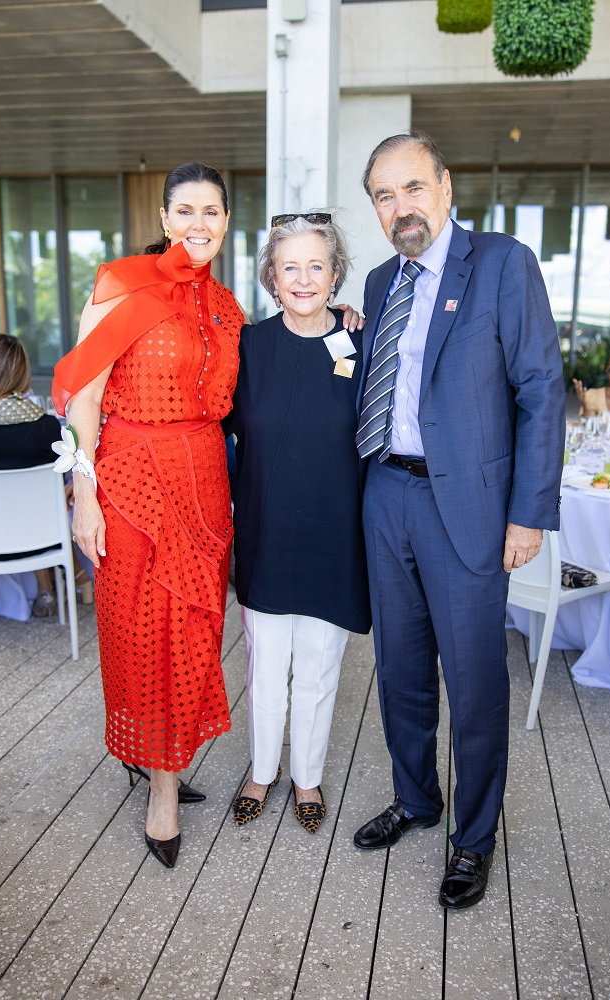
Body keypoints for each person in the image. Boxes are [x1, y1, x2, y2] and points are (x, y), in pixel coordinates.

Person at [352, 133, 565, 908]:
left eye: (411, 188)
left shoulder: (502, 265)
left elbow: (541, 390)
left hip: (469, 508)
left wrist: (528, 514)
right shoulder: (380, 283)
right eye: (383, 195)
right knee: (399, 669)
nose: (400, 206)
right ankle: (416, 799)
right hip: (386, 493)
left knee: (474, 681)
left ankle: (472, 838)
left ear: (444, 186)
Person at [51, 162, 244, 869]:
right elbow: (84, 398)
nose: (199, 224)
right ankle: (162, 786)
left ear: (226, 222)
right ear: (165, 219)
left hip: (201, 485)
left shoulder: (227, 306)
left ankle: (162, 760)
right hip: (130, 480)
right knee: (143, 632)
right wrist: (83, 492)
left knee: (193, 629)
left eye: (212, 213)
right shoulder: (120, 283)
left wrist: (337, 323)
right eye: (186, 211)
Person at [227, 215, 370, 834]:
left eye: (317, 266)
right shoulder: (249, 346)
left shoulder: (359, 342)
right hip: (266, 531)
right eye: (291, 267)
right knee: (265, 669)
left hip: (335, 535)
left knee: (318, 668)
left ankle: (306, 775)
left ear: (335, 275)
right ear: (272, 279)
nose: (304, 278)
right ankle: (262, 769)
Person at [0, 334, 91, 627]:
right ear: (23, 372)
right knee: (55, 495)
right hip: (42, 540)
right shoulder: (46, 427)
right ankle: (47, 588)